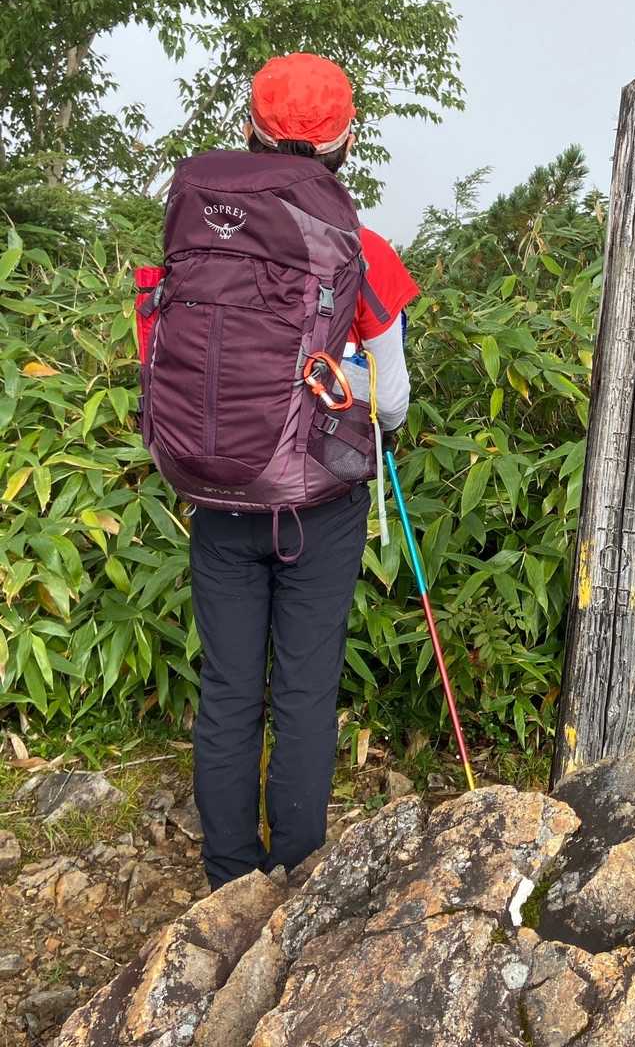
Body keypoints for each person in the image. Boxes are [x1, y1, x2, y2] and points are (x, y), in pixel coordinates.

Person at [187, 53, 418, 889]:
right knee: (305, 691)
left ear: (248, 131)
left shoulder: (200, 234)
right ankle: (294, 877)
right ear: (345, 141)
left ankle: (227, 882)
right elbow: (390, 401)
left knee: (227, 690)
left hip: (219, 495)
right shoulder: (363, 248)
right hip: (319, 506)